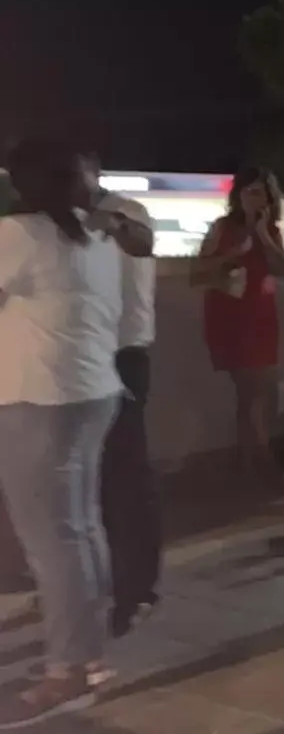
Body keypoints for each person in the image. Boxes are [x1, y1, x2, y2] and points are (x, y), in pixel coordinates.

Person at [0, 139, 126, 724]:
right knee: (81, 530)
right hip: (91, 392)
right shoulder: (96, 234)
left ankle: (68, 671)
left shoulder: (21, 234)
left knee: (52, 543)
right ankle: (89, 657)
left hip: (39, 400)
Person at [86, 156, 164, 638]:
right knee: (89, 483)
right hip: (78, 362)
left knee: (125, 477)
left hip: (122, 359)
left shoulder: (125, 212)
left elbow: (141, 243)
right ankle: (96, 581)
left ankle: (137, 589)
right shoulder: (45, 224)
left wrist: (105, 222)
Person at [193, 166, 284, 487]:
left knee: (255, 392)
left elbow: (282, 268)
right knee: (252, 391)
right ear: (237, 196)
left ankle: (247, 460)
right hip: (231, 313)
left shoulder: (272, 230)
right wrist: (234, 254)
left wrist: (261, 233)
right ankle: (262, 463)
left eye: (259, 192)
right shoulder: (223, 228)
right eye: (248, 192)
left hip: (261, 313)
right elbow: (199, 269)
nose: (253, 198)